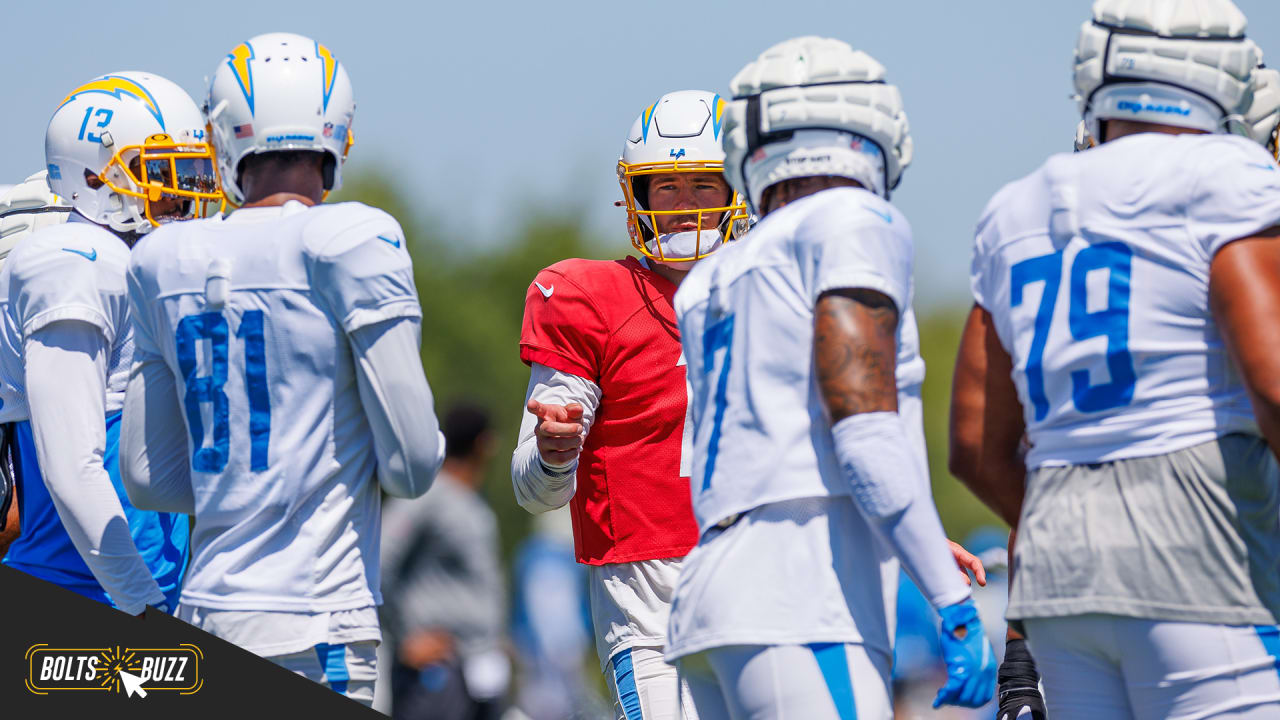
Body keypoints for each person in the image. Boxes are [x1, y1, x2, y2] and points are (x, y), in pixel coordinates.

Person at [950, 1, 1280, 716]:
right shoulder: (1228, 175)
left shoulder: (1016, 207)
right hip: (1204, 546)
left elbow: (975, 446)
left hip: (1059, 571)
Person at [668, 36, 996, 719]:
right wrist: (952, 600)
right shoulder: (852, 219)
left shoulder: (716, 274)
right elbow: (864, 430)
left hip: (713, 593)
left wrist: (920, 541)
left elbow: (779, 445)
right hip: (800, 598)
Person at [119, 33, 445, 705]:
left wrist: (241, 482)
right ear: (337, 135)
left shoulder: (163, 259)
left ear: (223, 136)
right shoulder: (352, 241)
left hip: (205, 612)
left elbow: (150, 478)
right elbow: (413, 465)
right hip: (316, 621)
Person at [511, 89, 748, 720]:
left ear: (736, 190)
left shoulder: (775, 292)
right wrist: (555, 455)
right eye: (664, 187)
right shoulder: (590, 298)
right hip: (650, 604)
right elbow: (532, 490)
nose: (683, 207)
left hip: (764, 579)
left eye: (702, 185)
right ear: (636, 196)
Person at [0, 72, 211, 615]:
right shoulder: (78, 260)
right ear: (92, 177)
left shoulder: (131, 266)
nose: (185, 192)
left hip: (122, 588)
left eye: (192, 169)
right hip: (82, 595)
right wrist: (140, 603)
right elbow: (72, 469)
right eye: (163, 173)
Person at [381, 402, 508, 719]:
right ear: (484, 444)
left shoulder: (473, 501)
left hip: (478, 667)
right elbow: (381, 558)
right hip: (435, 668)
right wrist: (404, 637)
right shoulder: (427, 495)